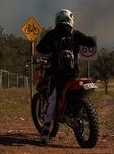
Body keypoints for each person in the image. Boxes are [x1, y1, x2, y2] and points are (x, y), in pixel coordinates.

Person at [36, 9, 96, 145]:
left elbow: (40, 48)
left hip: (57, 75)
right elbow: (91, 43)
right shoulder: (76, 34)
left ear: (57, 19)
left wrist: (50, 49)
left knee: (51, 101)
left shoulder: (52, 34)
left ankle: (45, 136)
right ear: (71, 19)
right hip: (73, 74)